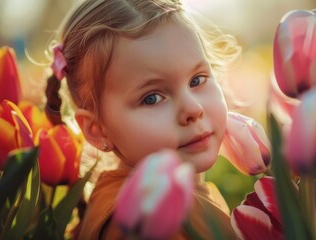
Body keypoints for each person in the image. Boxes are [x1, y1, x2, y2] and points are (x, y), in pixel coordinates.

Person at [46, 0, 241, 239]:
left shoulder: (119, 195)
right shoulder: (154, 220)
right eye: (152, 98)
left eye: (197, 80)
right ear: (97, 130)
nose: (193, 108)